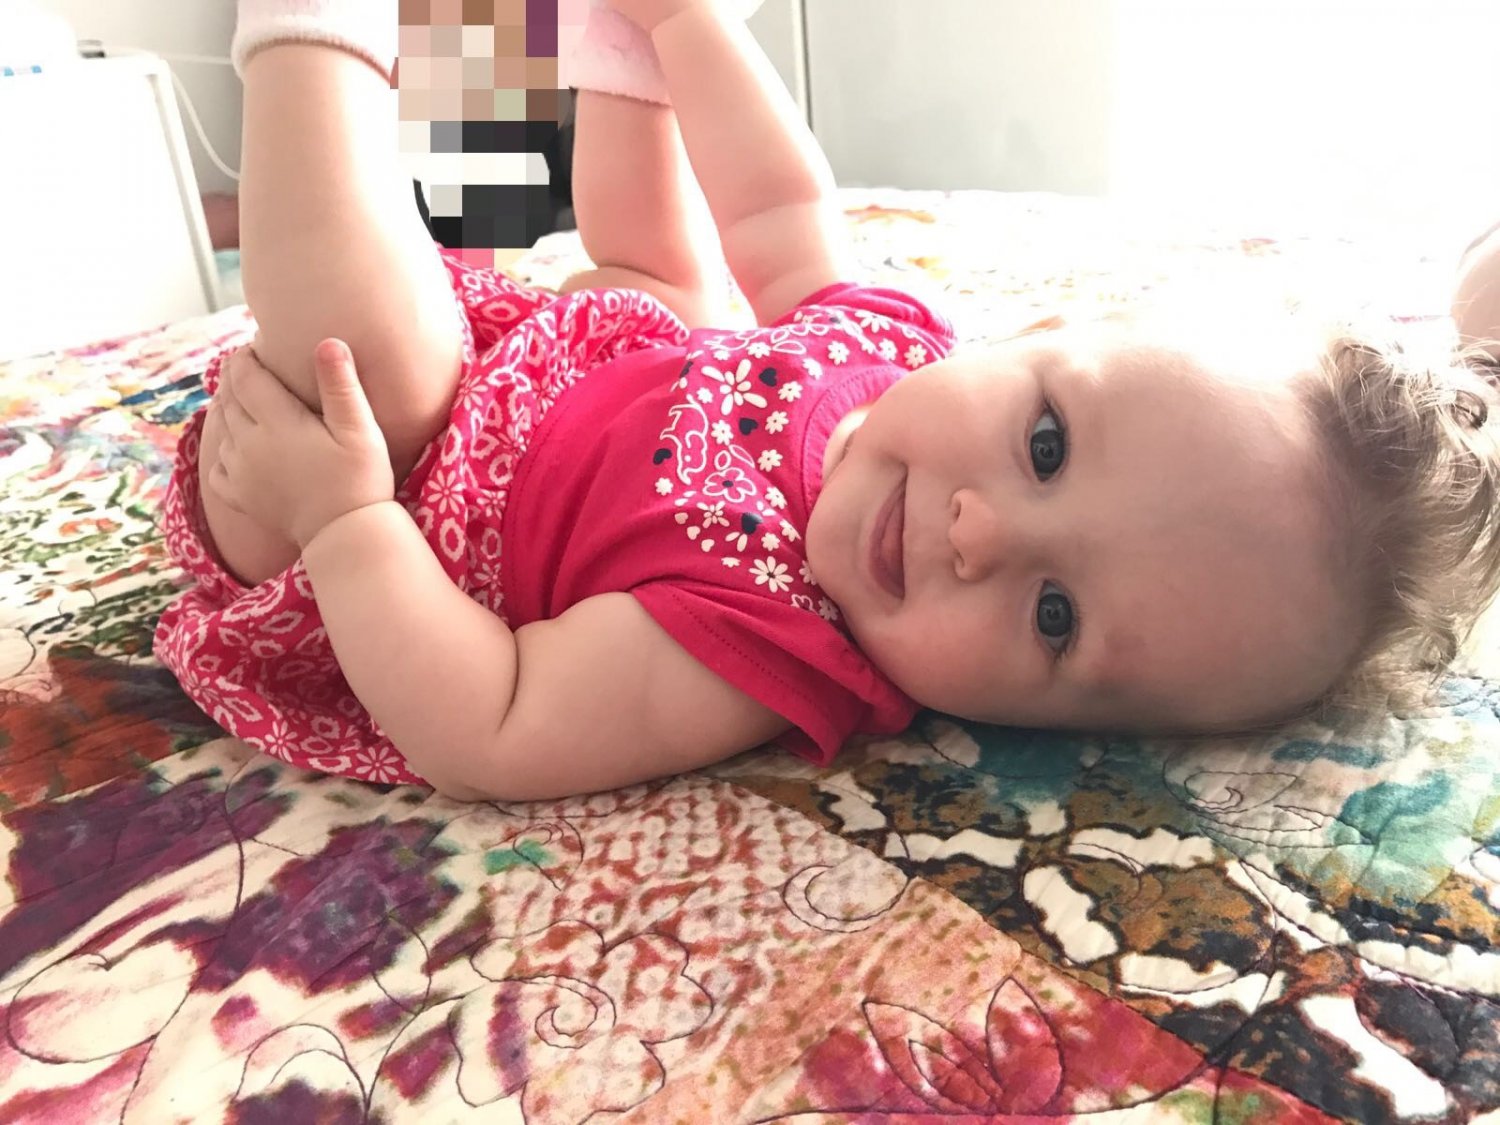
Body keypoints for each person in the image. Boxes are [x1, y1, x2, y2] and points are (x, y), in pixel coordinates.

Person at [153, 0, 1500, 801]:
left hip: (371, 502)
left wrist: (344, 526)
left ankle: (307, 48)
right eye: (1045, 442)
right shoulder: (886, 349)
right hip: (559, 358)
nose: (981, 533)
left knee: (384, 354)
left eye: (1052, 614)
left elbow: (494, 715)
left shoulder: (768, 646)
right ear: (1030, 336)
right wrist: (690, 33)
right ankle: (611, 47)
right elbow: (785, 208)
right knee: (675, 281)